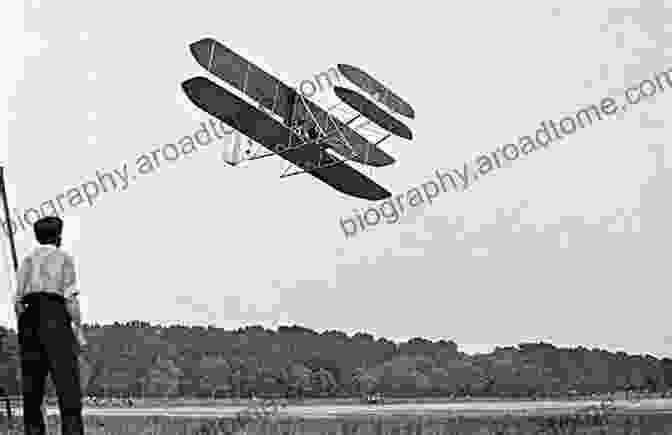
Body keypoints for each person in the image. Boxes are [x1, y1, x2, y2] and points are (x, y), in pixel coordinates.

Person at [14, 216, 84, 435]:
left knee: (32, 387)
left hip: (29, 316)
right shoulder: (64, 258)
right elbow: (70, 298)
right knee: (67, 385)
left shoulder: (27, 260)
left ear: (37, 236)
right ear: (59, 236)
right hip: (55, 315)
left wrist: (26, 327)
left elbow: (17, 302)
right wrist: (78, 329)